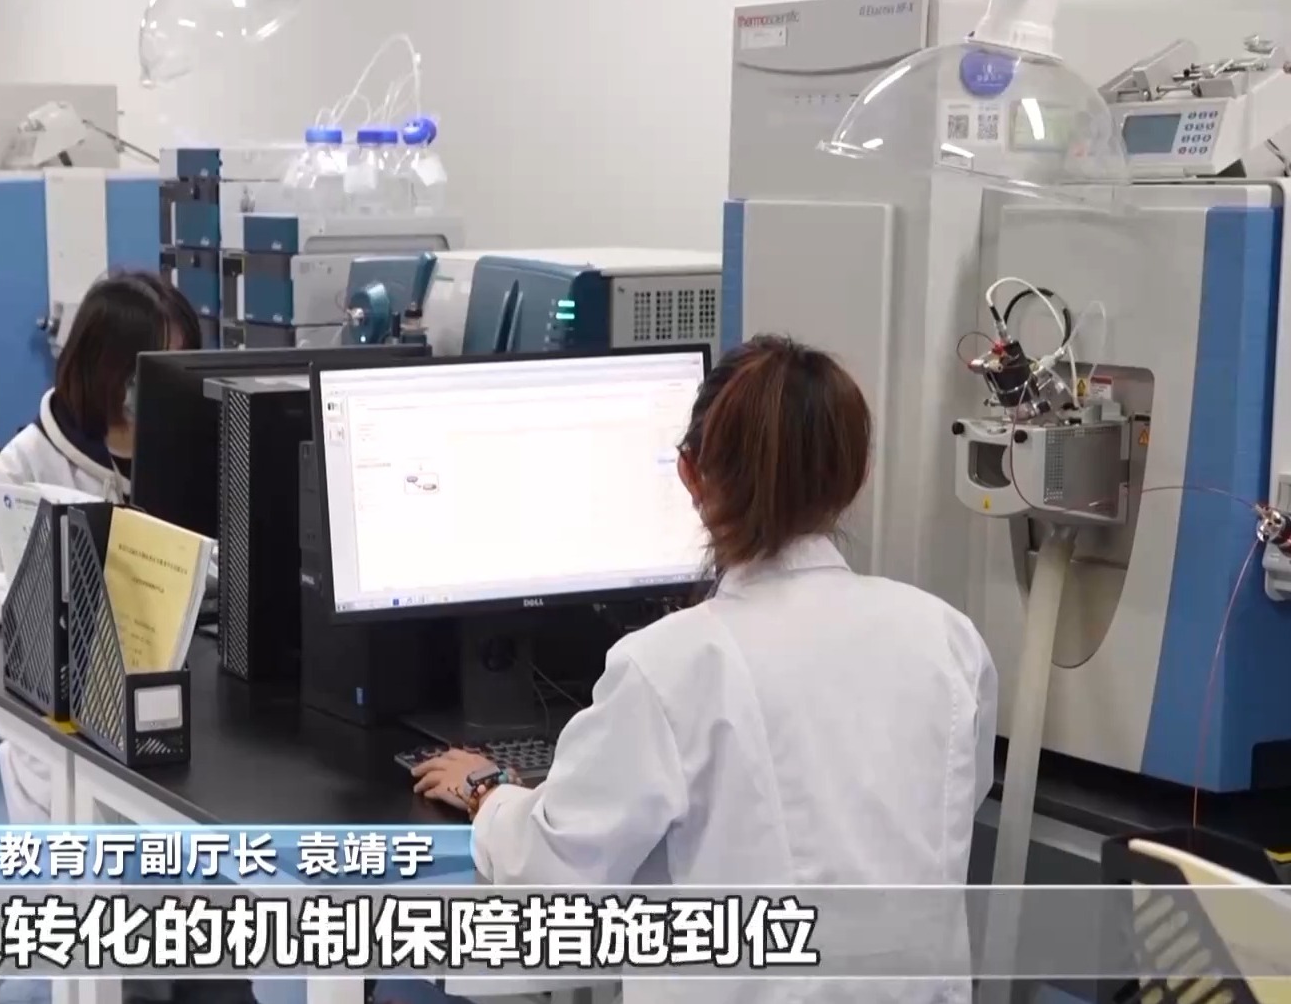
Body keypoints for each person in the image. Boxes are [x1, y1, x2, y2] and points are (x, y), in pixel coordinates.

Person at [411, 335, 997, 1003]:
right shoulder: (947, 637)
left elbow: (553, 872)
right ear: (856, 475)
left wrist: (487, 792)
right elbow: (949, 799)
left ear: (690, 474)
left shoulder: (671, 663)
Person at [0, 271, 202, 824]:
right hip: (68, 713)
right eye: (152, 366)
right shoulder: (34, 457)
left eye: (180, 363)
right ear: (107, 367)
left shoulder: (191, 447)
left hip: (179, 694)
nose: (167, 382)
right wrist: (56, 600)